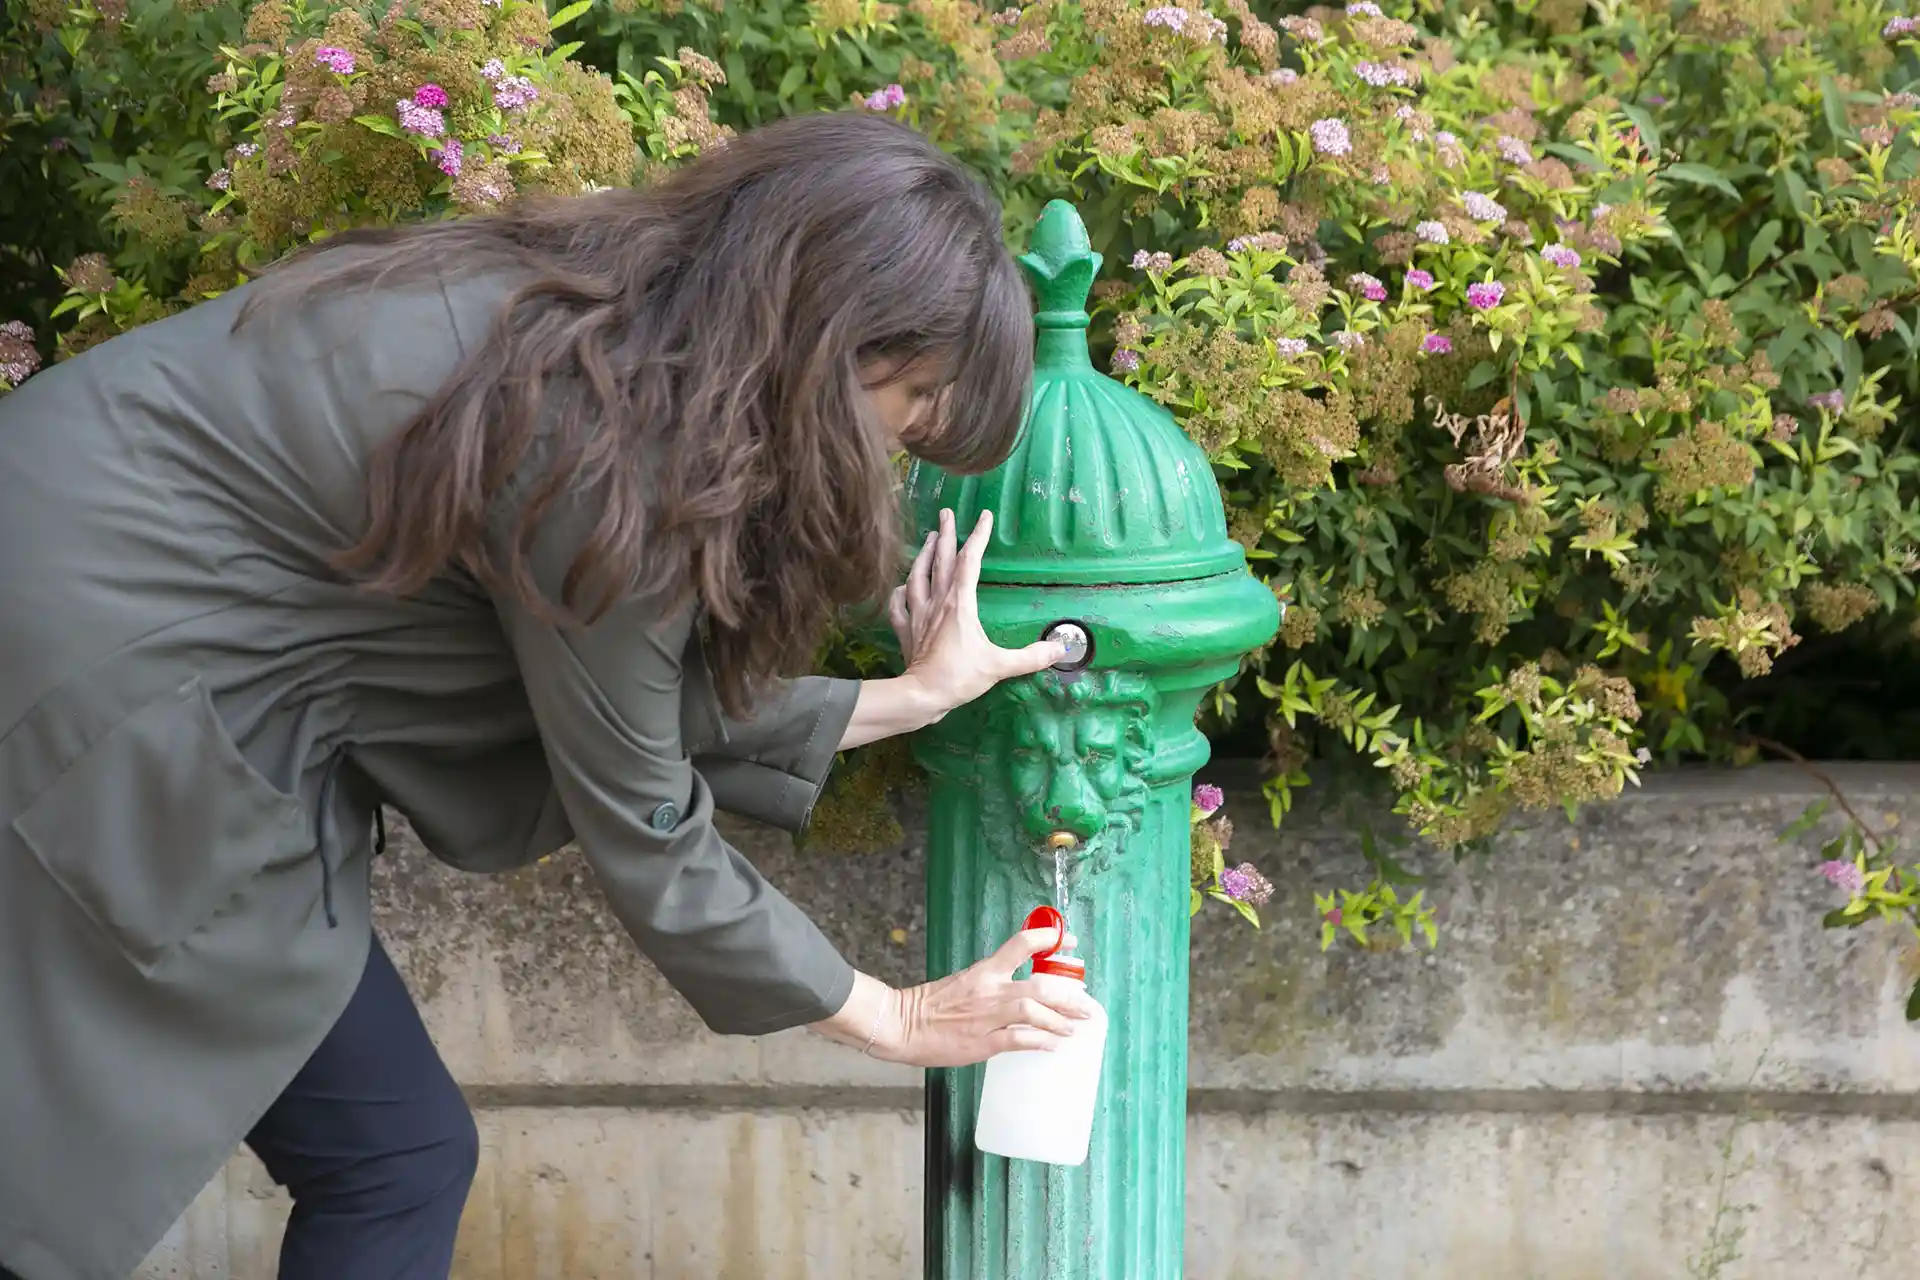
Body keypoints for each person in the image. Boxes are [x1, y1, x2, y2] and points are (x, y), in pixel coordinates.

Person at [0, 111, 1098, 1280]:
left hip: (129, 604)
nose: (893, 450)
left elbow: (605, 696)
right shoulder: (606, 436)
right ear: (837, 334)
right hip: (104, 662)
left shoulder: (607, 313)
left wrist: (913, 697)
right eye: (914, 403)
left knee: (395, 1154)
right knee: (356, 1158)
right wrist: (897, 1015)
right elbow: (644, 819)